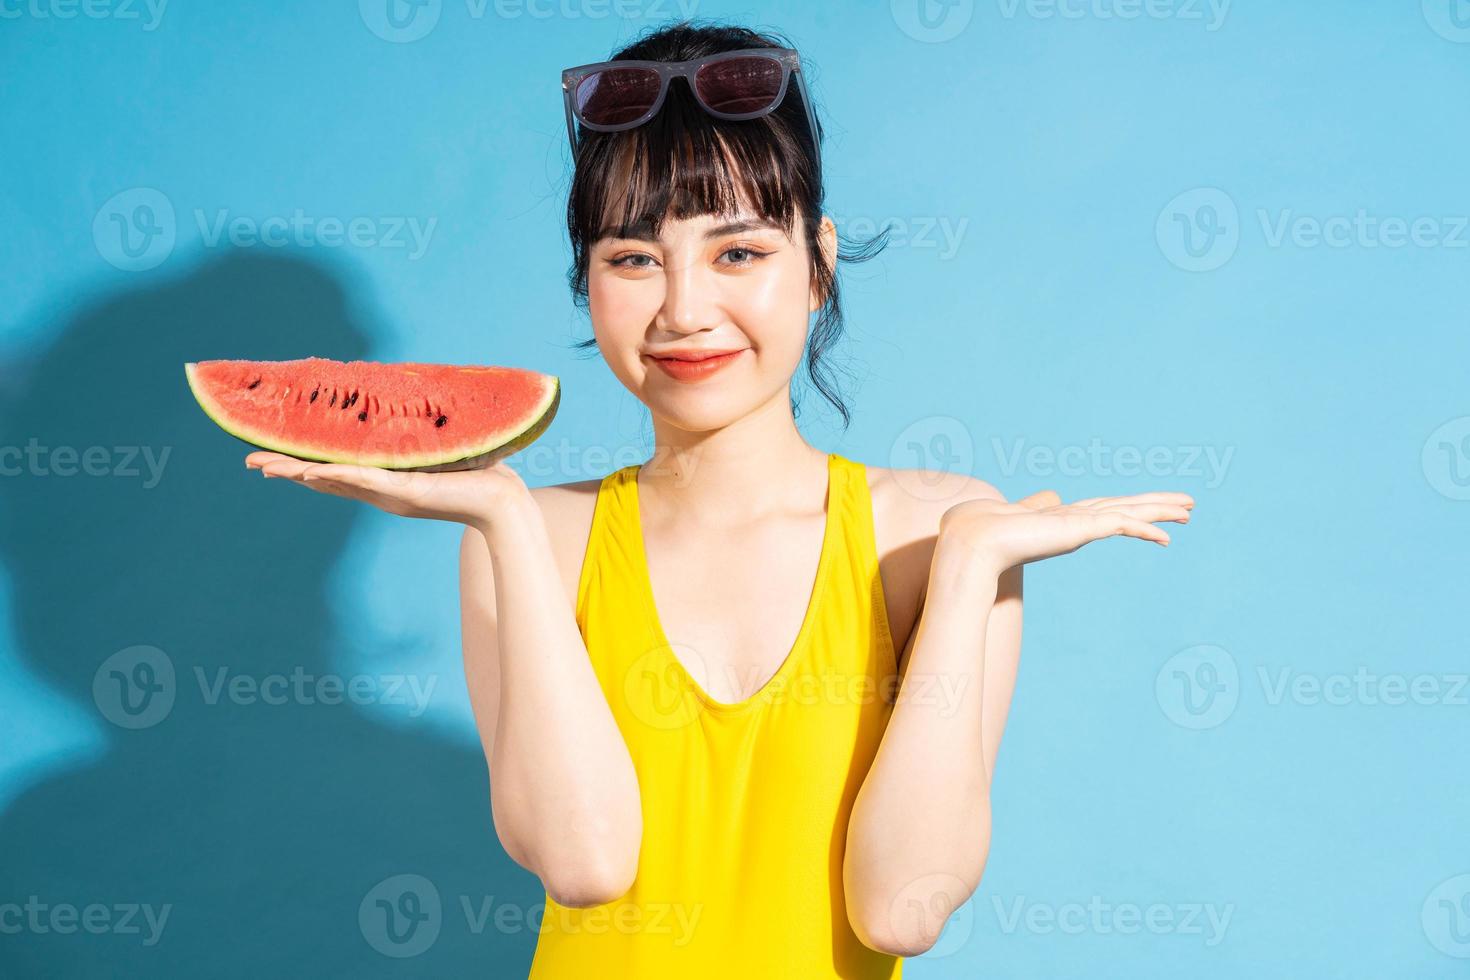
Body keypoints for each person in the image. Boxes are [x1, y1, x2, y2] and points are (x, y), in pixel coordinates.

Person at [247, 20, 1194, 978]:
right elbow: (585, 864)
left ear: (818, 262)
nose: (685, 310)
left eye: (737, 253)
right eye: (632, 258)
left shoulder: (935, 534)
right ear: (588, 281)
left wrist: (964, 577)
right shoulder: (538, 536)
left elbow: (902, 908)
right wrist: (501, 519)